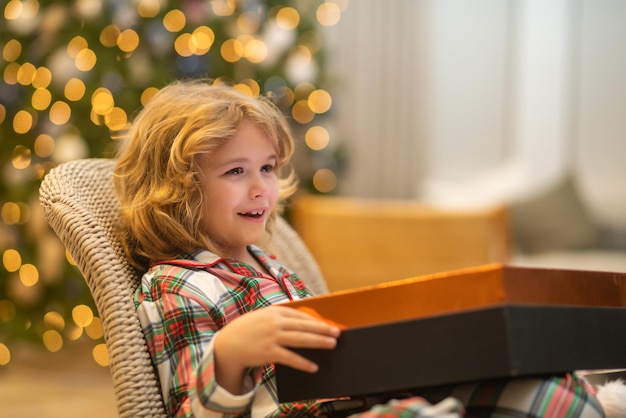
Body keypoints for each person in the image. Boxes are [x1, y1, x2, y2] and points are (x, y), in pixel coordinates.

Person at [113, 79, 605, 418]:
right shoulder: (177, 285)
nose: (261, 187)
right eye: (235, 171)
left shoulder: (271, 265)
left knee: (547, 390)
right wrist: (228, 355)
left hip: (358, 396)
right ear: (176, 188)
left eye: (266, 168)